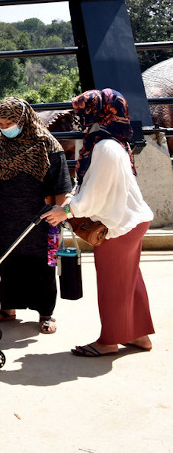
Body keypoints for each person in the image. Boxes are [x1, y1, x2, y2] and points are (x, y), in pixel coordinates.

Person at [44, 88, 155, 357]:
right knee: (129, 280)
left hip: (119, 224)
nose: (80, 118)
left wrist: (67, 211)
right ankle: (139, 335)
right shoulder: (112, 141)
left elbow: (95, 195)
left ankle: (108, 341)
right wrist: (75, 195)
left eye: (84, 112)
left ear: (99, 113)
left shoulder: (104, 147)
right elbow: (95, 185)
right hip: (131, 219)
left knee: (113, 284)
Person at [0, 97, 71, 335]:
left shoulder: (48, 145)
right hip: (8, 218)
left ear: (23, 119)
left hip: (42, 220)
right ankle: (8, 308)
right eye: (0, 123)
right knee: (8, 262)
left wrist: (61, 212)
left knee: (43, 266)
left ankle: (46, 313)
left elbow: (61, 186)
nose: (4, 128)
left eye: (9, 122)